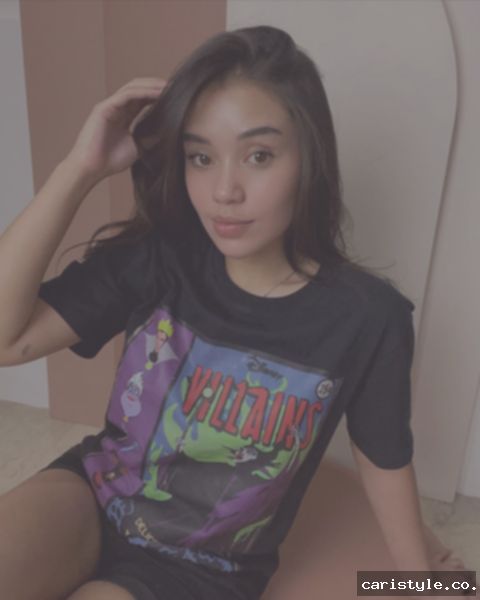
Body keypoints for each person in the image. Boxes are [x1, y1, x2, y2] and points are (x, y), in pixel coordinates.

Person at [0, 25, 472, 600]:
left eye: (259, 156)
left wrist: (421, 580)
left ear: (308, 158)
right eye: (201, 157)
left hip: (201, 568)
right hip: (93, 497)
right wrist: (80, 167)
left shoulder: (366, 317)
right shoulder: (159, 257)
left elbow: (382, 455)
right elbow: (7, 341)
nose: (224, 190)